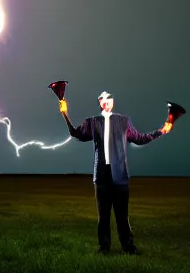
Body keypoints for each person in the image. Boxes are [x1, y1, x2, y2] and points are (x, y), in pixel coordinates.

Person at [59, 91, 173, 255]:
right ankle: (104, 248)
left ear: (112, 102)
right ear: (99, 103)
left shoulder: (123, 121)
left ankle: (128, 247)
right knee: (103, 217)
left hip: (120, 177)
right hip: (101, 178)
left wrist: (161, 131)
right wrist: (65, 114)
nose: (105, 101)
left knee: (122, 216)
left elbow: (140, 139)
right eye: (102, 99)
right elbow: (76, 133)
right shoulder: (92, 122)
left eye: (108, 99)